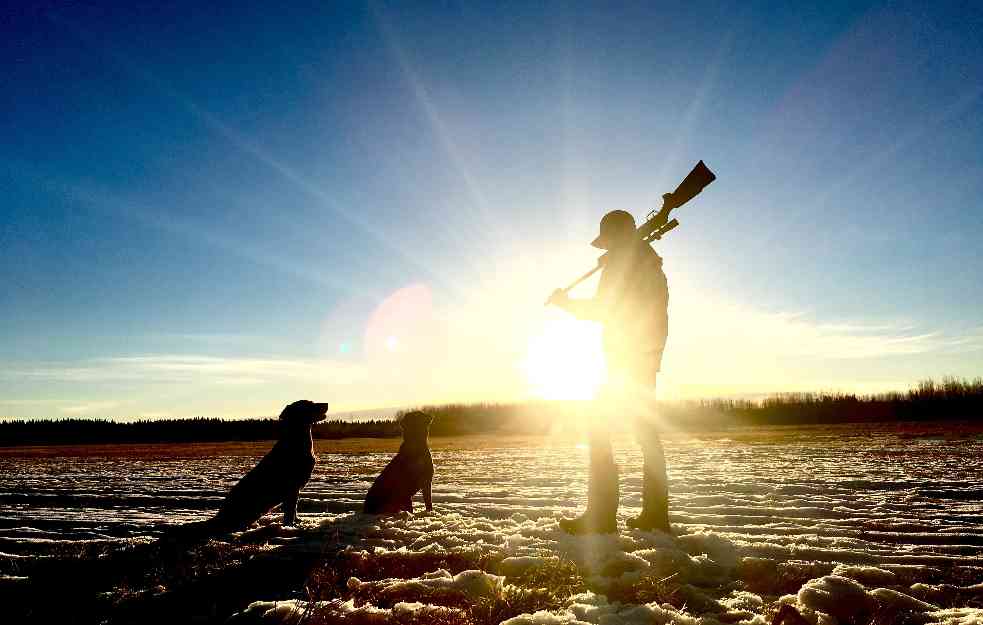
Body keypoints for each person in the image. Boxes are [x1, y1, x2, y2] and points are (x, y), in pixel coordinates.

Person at [548, 209, 670, 534]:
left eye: (607, 243)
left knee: (598, 427)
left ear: (616, 238)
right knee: (646, 435)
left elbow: (604, 309)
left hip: (625, 361)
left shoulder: (625, 264)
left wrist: (566, 304)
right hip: (642, 359)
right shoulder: (645, 261)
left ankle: (601, 517)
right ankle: (656, 516)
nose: (604, 250)